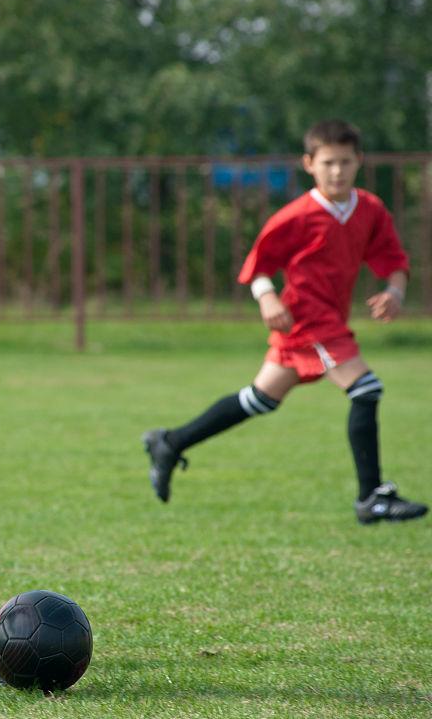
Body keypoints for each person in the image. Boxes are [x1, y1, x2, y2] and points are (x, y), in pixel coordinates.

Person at [142, 119, 426, 525]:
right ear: (309, 163)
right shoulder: (296, 215)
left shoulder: (370, 209)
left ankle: (170, 442)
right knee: (366, 388)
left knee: (260, 399)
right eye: (328, 162)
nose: (337, 171)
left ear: (359, 161)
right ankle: (372, 498)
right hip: (307, 319)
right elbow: (259, 265)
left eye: (345, 162)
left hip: (327, 320)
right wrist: (267, 297)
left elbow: (394, 261)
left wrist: (394, 292)